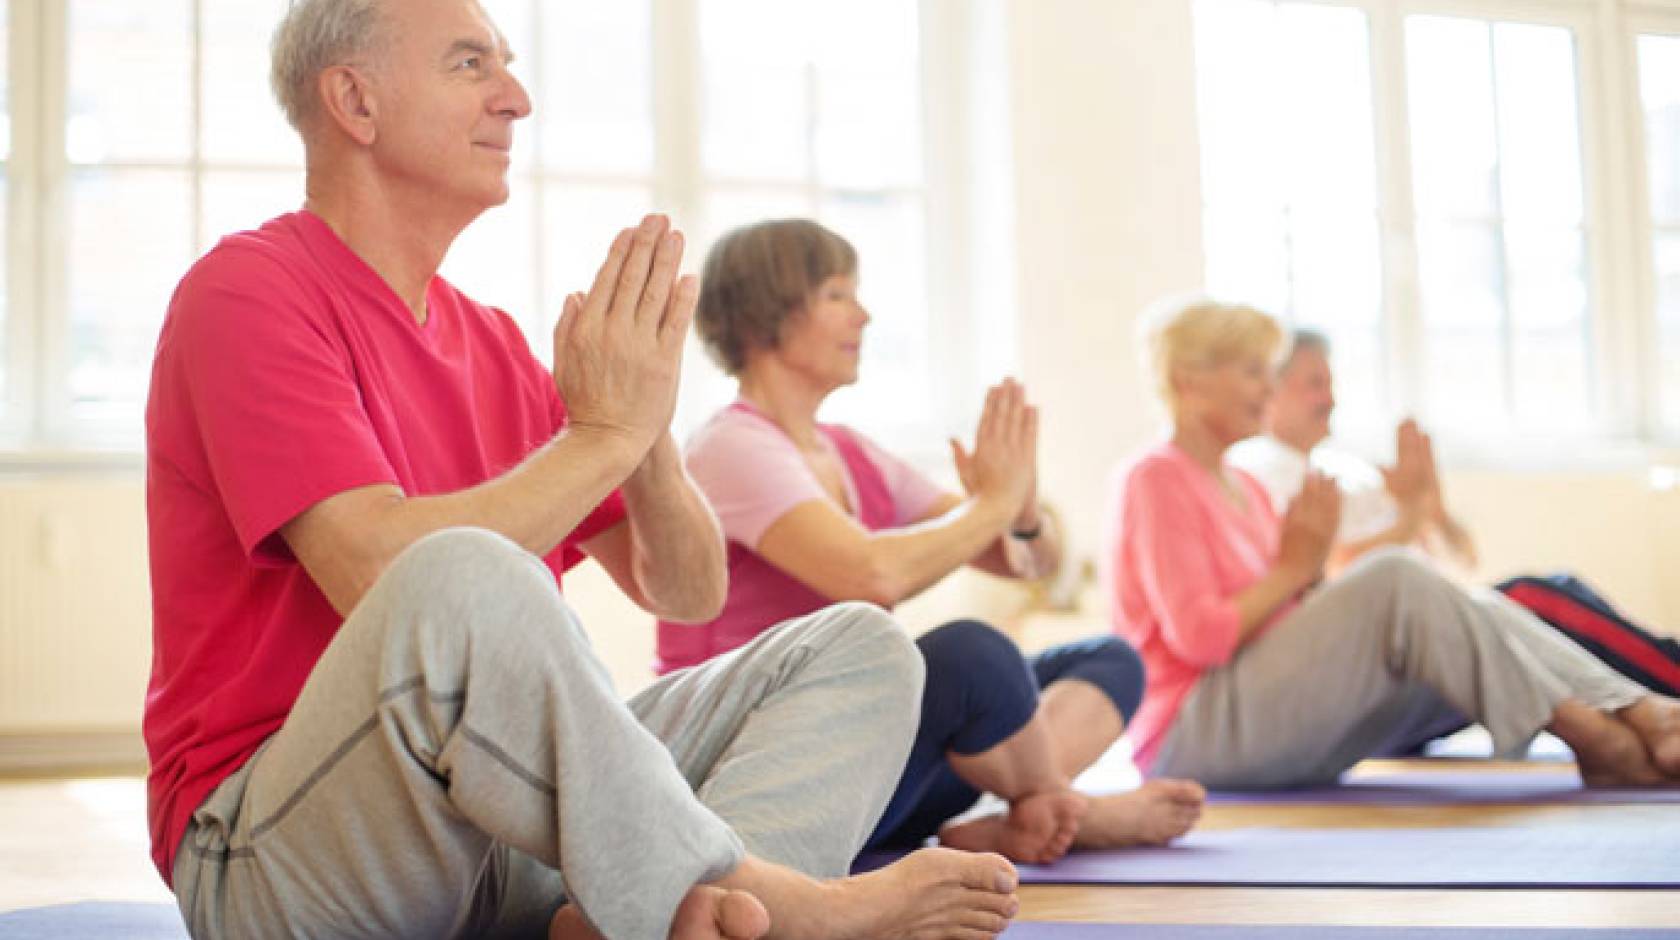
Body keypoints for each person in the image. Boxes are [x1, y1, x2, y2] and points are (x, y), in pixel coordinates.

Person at [143, 3, 1022, 938]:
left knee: (858, 645)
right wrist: (601, 434)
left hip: (495, 847)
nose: (515, 98)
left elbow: (684, 589)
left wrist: (644, 432)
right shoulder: (247, 292)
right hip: (276, 854)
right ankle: (767, 900)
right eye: (470, 63)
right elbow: (378, 573)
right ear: (355, 100)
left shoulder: (493, 343)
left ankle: (673, 919)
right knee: (466, 571)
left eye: (508, 65)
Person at [657, 219, 1205, 865]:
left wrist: (1021, 514)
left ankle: (1020, 811)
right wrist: (993, 506)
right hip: (764, 770)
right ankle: (1064, 809)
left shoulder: (849, 450)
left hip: (867, 764)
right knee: (972, 657)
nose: (862, 316)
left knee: (1109, 659)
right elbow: (871, 576)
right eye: (837, 295)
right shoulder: (732, 446)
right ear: (759, 317)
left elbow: (1023, 560)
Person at [1101, 295, 1680, 791]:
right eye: (1251, 371)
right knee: (1395, 574)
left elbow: (1292, 617)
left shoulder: (1245, 485)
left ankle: (1635, 709)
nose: (1265, 388)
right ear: (1188, 381)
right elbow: (1199, 638)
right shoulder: (1154, 478)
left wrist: (1308, 574)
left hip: (1264, 711)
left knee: (1470, 611)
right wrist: (1295, 569)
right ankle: (1600, 735)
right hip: (1193, 733)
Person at [1230, 329, 1680, 701]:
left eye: (1331, 383)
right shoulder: (1260, 466)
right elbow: (1332, 571)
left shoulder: (1347, 469)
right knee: (1535, 598)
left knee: (1554, 593)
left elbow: (1461, 559)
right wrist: (1407, 518)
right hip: (1382, 647)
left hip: (1439, 619)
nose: (1330, 398)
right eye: (1314, 384)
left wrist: (1432, 507)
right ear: (1272, 391)